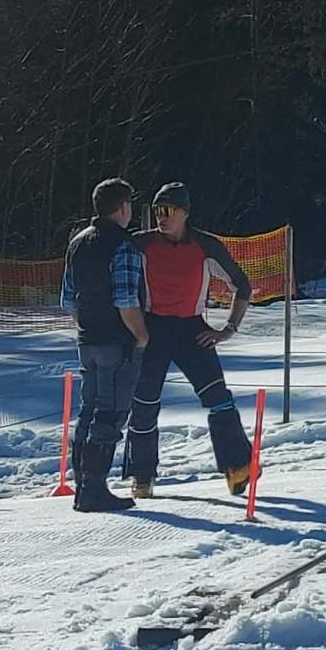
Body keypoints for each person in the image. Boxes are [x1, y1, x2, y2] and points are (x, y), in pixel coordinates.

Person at [125, 182, 255, 499]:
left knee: (218, 398)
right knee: (143, 404)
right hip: (152, 329)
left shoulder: (206, 246)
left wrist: (229, 328)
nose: (161, 217)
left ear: (184, 213)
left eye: (168, 211)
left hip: (191, 330)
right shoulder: (141, 244)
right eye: (157, 211)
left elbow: (242, 285)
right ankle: (142, 476)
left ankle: (239, 467)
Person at [60, 178, 149, 515]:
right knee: (110, 414)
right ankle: (95, 490)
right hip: (117, 341)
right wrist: (141, 335)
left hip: (87, 339)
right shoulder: (124, 246)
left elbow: (68, 298)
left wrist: (86, 326)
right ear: (123, 208)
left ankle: (83, 486)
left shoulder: (78, 242)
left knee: (88, 411)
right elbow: (126, 298)